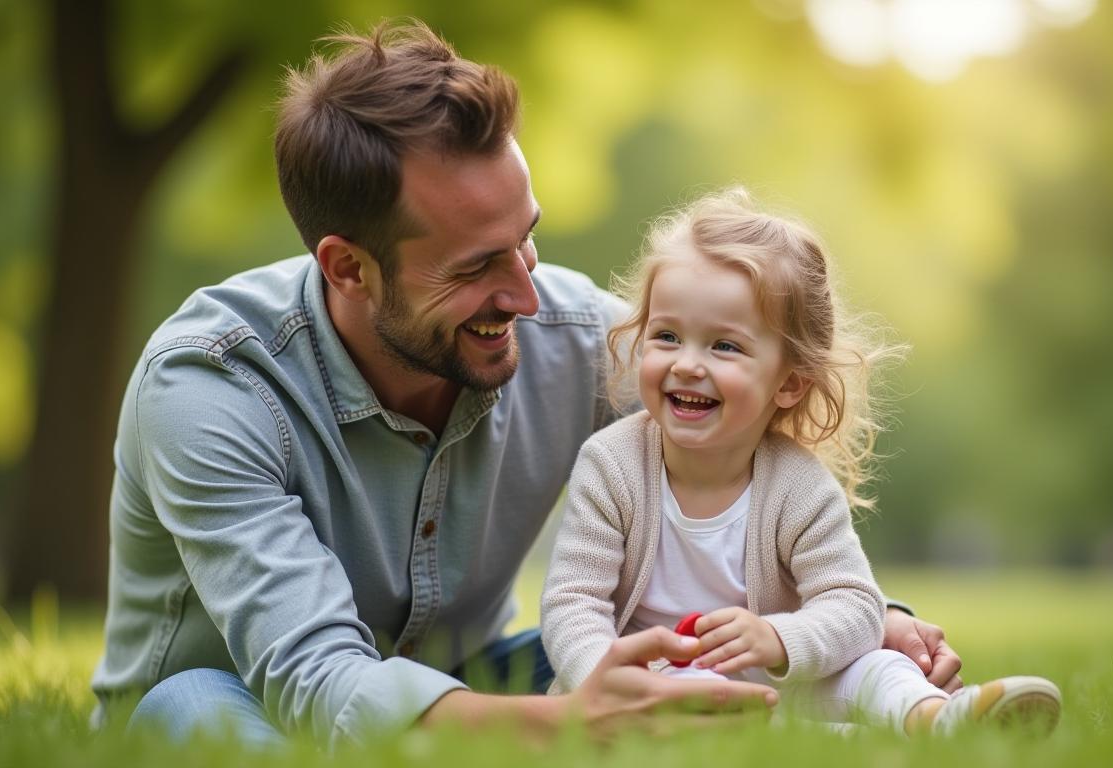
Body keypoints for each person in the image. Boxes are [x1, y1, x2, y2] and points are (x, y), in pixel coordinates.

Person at [91, 20, 964, 748]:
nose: (526, 292)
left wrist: (854, 619)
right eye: (478, 265)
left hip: (483, 680)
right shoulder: (210, 390)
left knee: (668, 661)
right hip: (241, 697)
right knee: (193, 711)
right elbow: (316, 679)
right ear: (348, 268)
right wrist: (573, 725)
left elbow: (739, 424)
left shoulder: (570, 335)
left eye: (526, 237)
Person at [541, 190, 1061, 734]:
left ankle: (935, 719)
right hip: (654, 688)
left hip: (779, 676)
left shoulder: (796, 484)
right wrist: (605, 678)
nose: (688, 364)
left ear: (788, 383)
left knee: (880, 665)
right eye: (667, 336)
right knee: (696, 696)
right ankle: (834, 738)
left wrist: (777, 639)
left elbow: (857, 605)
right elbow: (573, 602)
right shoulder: (611, 464)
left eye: (724, 347)